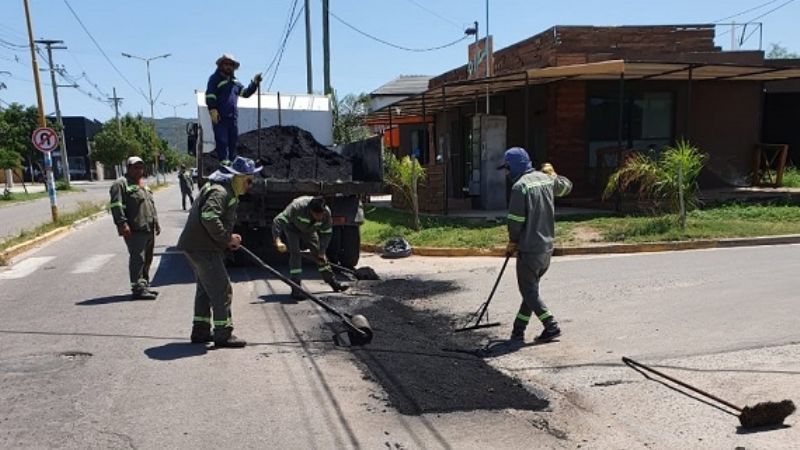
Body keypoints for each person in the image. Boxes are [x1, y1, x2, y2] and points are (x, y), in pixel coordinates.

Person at [177, 156, 261, 348]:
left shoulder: (222, 189)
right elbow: (208, 216)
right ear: (238, 178)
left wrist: (228, 237)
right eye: (249, 180)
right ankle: (223, 334)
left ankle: (200, 331)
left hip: (197, 246)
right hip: (203, 248)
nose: (250, 185)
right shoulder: (221, 191)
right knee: (222, 289)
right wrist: (226, 238)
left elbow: (212, 218)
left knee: (206, 289)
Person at [500, 147, 572, 343]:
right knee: (530, 291)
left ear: (513, 166)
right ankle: (518, 331)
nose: (506, 173)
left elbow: (515, 220)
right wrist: (554, 175)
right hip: (547, 248)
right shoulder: (546, 179)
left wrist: (513, 241)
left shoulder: (520, 187)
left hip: (529, 249)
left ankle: (551, 325)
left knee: (528, 290)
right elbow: (567, 186)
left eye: (507, 168)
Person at [272, 196, 348, 300]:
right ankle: (296, 288)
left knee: (320, 256)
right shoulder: (296, 207)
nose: (319, 217)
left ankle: (333, 283)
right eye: (317, 215)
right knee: (296, 254)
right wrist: (277, 240)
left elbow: (326, 234)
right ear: (310, 210)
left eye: (321, 214)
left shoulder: (326, 213)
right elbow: (278, 220)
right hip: (292, 228)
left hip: (310, 230)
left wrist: (322, 252)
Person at [109, 156, 160, 300]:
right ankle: (137, 288)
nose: (139, 170)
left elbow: (150, 205)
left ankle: (144, 285)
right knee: (138, 258)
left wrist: (156, 223)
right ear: (128, 168)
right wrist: (122, 224)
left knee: (147, 259)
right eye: (135, 167)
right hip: (135, 229)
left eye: (141, 167)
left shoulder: (142, 185)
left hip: (148, 228)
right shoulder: (120, 184)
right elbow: (116, 206)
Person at [205, 54, 262, 165]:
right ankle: (224, 163)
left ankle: (232, 162)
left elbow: (245, 93)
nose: (228, 67)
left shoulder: (235, 82)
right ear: (221, 65)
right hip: (220, 117)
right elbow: (210, 95)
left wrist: (254, 83)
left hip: (232, 118)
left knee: (232, 141)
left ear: (233, 67)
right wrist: (212, 109)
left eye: (231, 64)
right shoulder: (215, 79)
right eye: (226, 64)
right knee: (222, 141)